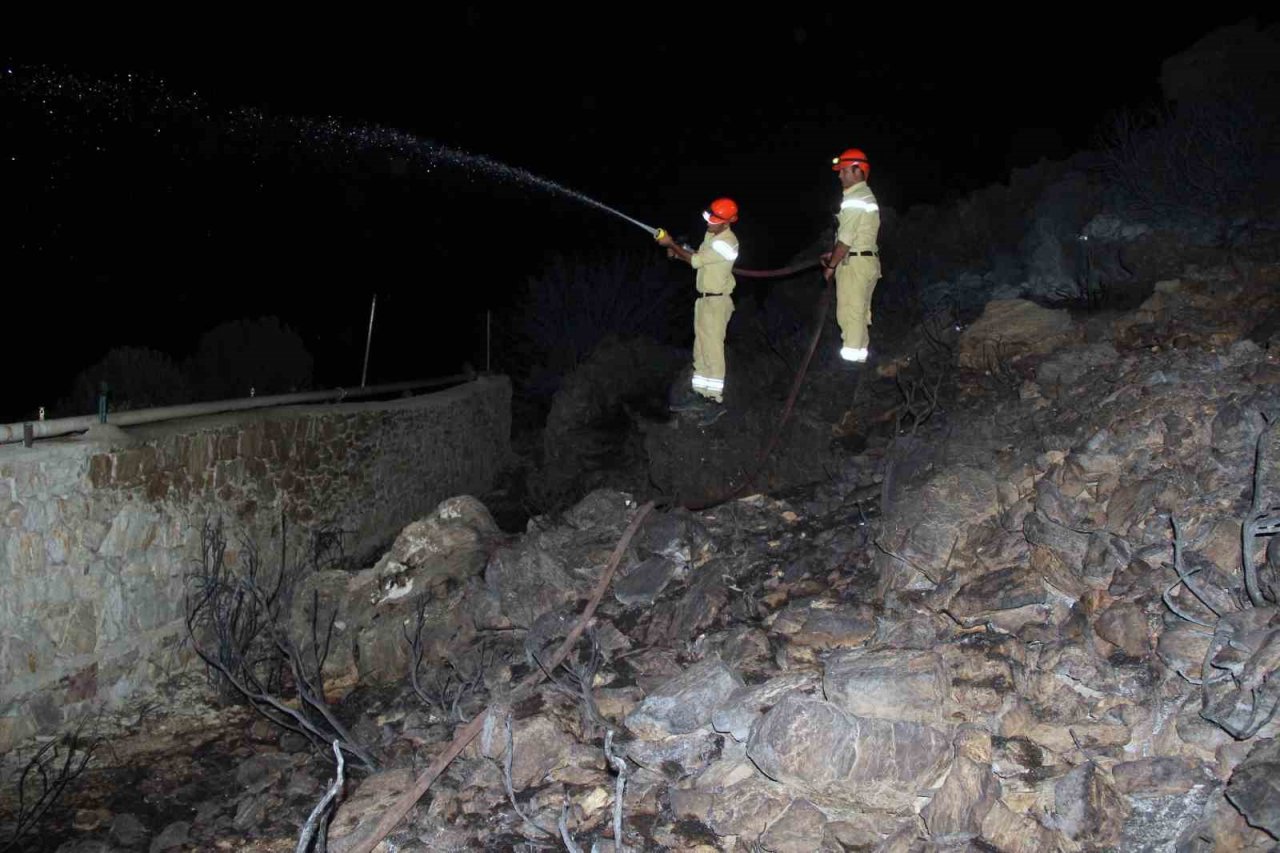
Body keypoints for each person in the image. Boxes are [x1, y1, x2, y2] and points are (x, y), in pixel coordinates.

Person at [658, 197, 740, 417]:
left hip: (716, 302)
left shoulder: (726, 241)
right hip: (704, 300)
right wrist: (679, 252)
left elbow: (696, 262)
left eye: (714, 221)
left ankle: (715, 401)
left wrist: (671, 244)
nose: (709, 223)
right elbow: (700, 258)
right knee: (701, 349)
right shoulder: (713, 234)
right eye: (709, 219)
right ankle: (700, 394)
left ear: (728, 222)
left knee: (713, 350)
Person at [823, 148, 881, 363]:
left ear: (857, 171)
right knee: (859, 314)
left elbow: (846, 239)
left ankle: (849, 369)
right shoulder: (865, 196)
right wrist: (835, 253)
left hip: (855, 265)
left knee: (850, 315)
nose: (839, 175)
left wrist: (831, 266)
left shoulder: (856, 198)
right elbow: (857, 236)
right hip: (865, 260)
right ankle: (859, 362)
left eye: (843, 171)